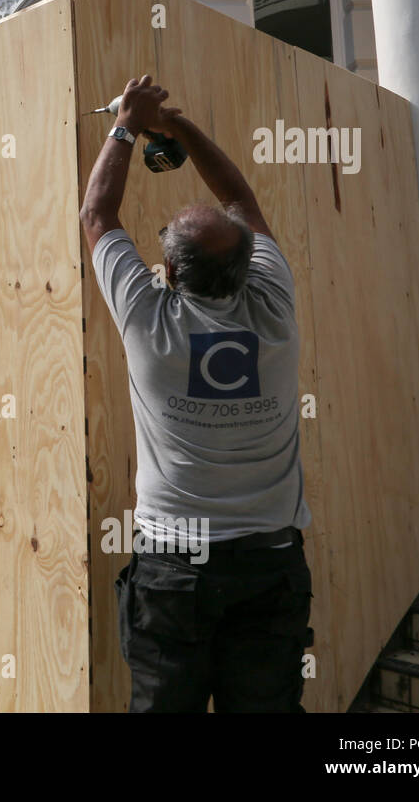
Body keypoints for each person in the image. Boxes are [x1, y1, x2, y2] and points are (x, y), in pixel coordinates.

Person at [78, 75, 314, 712]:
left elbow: (97, 213)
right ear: (248, 266)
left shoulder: (151, 325)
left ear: (171, 271)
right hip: (270, 568)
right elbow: (241, 200)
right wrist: (179, 129)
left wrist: (128, 124)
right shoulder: (276, 311)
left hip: (174, 573)